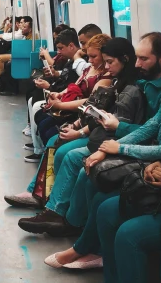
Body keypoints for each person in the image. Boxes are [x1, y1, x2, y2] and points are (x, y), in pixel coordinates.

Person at [45, 54, 161, 272]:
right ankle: (82, 236)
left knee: (97, 192)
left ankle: (83, 243)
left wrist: (119, 147)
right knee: (89, 177)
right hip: (146, 155)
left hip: (159, 166)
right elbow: (148, 129)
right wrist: (105, 150)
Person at [17, 37, 144, 236]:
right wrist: (77, 125)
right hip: (98, 131)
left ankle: (58, 211)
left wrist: (80, 131)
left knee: (68, 154)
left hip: (107, 137)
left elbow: (113, 120)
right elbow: (95, 109)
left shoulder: (125, 87)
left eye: (108, 61)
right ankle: (44, 196)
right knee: (54, 141)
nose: (105, 65)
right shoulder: (117, 81)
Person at [24, 28, 91, 163]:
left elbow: (82, 92)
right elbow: (68, 80)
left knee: (38, 106)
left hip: (75, 106)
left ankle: (41, 149)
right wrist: (55, 75)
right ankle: (39, 143)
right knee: (33, 96)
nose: (84, 48)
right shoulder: (70, 61)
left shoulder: (81, 63)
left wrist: (55, 95)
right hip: (66, 96)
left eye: (83, 43)